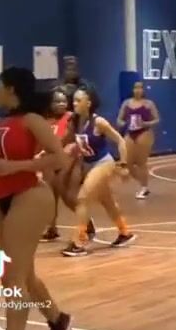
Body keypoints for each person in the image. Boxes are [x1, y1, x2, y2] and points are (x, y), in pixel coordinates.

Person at [0, 67, 71, 330]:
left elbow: (59, 158)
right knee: (24, 274)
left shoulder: (32, 120)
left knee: (11, 277)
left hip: (30, 196)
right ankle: (57, 319)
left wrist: (13, 167)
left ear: (11, 89)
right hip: (3, 199)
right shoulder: (1, 120)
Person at [61, 84, 135, 257]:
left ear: (89, 103)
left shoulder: (99, 122)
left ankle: (79, 241)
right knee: (107, 201)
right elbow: (65, 141)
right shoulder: (75, 121)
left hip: (103, 163)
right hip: (88, 164)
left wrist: (124, 165)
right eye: (74, 100)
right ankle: (124, 232)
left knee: (83, 198)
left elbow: (120, 141)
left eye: (78, 100)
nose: (74, 103)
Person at [39, 87, 96, 243]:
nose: (61, 104)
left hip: (68, 161)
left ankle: (88, 223)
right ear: (50, 104)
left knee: (69, 198)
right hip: (50, 163)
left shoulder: (72, 117)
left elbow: (66, 138)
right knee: (50, 198)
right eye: (57, 101)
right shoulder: (45, 121)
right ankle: (52, 229)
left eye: (64, 101)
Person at [117, 81, 160, 199]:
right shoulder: (126, 103)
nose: (138, 90)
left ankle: (144, 187)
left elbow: (157, 119)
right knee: (128, 162)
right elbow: (119, 119)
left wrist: (145, 123)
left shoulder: (149, 103)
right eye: (136, 87)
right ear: (132, 89)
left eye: (140, 88)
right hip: (130, 132)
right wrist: (123, 123)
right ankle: (143, 183)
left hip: (144, 132)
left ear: (143, 90)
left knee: (141, 162)